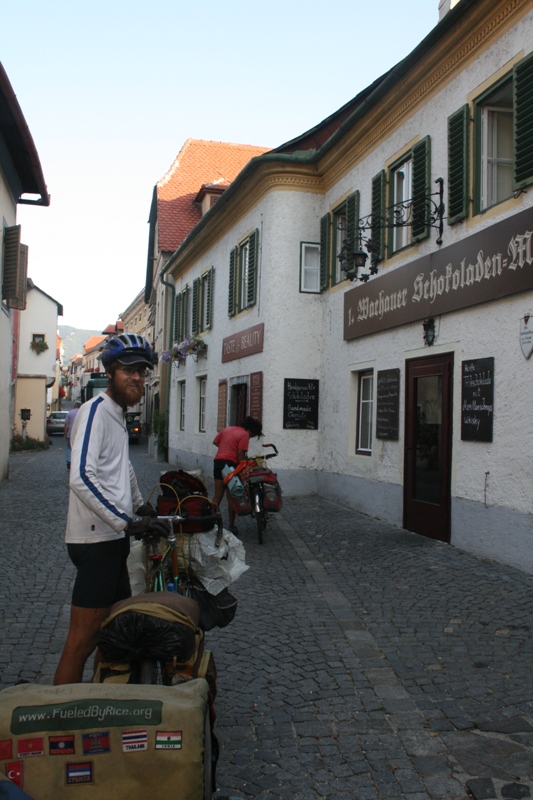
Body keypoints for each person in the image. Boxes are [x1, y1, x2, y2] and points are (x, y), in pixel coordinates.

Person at [54, 334, 170, 685]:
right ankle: (60, 721)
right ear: (111, 372)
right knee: (82, 640)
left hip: (113, 539)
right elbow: (81, 477)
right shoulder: (94, 412)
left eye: (142, 371)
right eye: (128, 370)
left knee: (113, 634)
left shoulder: (118, 416)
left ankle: (98, 703)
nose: (136, 377)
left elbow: (123, 469)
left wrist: (141, 507)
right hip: (95, 542)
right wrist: (125, 521)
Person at [212, 416, 263, 534]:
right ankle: (231, 525)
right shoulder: (244, 434)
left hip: (218, 462)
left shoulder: (227, 429)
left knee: (217, 495)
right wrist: (242, 466)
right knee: (232, 496)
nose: (250, 438)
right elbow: (240, 453)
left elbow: (215, 441)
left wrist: (225, 449)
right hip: (231, 466)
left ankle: (211, 522)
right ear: (250, 430)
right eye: (252, 436)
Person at [64, 400, 81, 469]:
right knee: (78, 448)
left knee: (69, 447)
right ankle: (76, 462)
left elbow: (66, 424)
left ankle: (69, 460)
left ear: (74, 406)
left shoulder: (69, 413)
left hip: (70, 433)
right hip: (79, 434)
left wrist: (65, 433)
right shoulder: (82, 413)